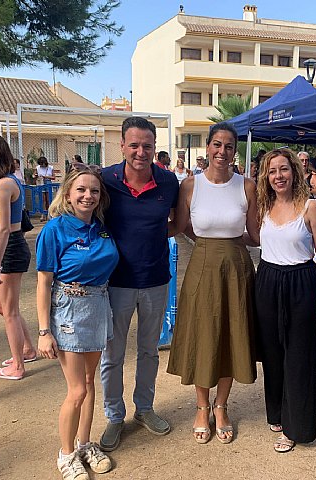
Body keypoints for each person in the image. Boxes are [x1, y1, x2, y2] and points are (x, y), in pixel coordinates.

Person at [167, 122, 260, 445]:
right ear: (207, 148)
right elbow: (180, 226)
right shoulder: (190, 186)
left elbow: (257, 234)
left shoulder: (246, 186)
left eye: (229, 146)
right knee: (204, 335)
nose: (222, 152)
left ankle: (221, 407)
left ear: (235, 151)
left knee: (230, 336)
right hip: (202, 266)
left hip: (236, 266)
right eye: (217, 145)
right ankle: (201, 406)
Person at [99, 117, 179, 452]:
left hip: (155, 280)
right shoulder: (105, 181)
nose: (141, 151)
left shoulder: (168, 182)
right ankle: (115, 416)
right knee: (112, 354)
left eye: (147, 145)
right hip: (115, 283)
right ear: (122, 145)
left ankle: (144, 409)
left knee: (148, 351)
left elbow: (180, 222)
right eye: (134, 144)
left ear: (154, 145)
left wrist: (152, 238)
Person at [36, 165, 118, 480]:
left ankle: (85, 444)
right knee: (76, 391)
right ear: (68, 194)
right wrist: (45, 331)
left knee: (88, 383)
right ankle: (66, 454)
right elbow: (44, 283)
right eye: (81, 190)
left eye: (94, 191)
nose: (88, 196)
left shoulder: (101, 227)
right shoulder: (54, 230)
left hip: (98, 306)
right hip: (68, 309)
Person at [255, 148, 316, 453]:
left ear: (295, 171)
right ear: (266, 177)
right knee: (272, 352)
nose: (278, 176)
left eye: (283, 169)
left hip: (301, 282)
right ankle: (277, 412)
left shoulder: (310, 207)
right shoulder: (263, 206)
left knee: (299, 355)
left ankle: (297, 426)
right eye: (272, 171)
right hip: (268, 279)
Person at [0, 134, 36, 380]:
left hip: (11, 246)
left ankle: (19, 365)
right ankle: (27, 349)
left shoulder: (3, 184)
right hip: (11, 245)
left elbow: (3, 229)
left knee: (9, 310)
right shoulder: (8, 180)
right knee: (2, 307)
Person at [36, 156, 56, 221]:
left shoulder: (50, 167)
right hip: (40, 183)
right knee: (42, 200)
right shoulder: (38, 168)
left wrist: (46, 176)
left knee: (48, 199)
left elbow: (53, 177)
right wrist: (35, 176)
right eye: (40, 164)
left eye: (42, 164)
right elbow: (34, 174)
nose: (41, 165)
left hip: (48, 182)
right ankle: (43, 214)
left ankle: (49, 214)